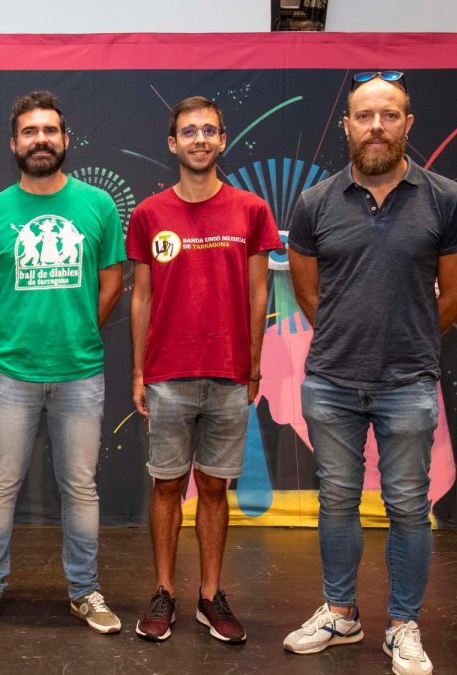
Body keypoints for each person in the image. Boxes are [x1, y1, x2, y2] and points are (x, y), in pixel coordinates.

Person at [283, 71, 457, 675]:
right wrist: (355, 341)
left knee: (407, 506)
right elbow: (311, 296)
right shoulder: (315, 202)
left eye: (388, 115)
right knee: (336, 502)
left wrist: (405, 342)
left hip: (409, 384)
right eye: (364, 116)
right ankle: (341, 613)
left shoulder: (446, 199)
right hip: (331, 381)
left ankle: (402, 625)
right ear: (346, 126)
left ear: (408, 125)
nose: (376, 127)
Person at [0, 90, 125, 635]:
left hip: (81, 371)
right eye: (30, 132)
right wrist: (14, 333)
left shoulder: (98, 205)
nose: (40, 140)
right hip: (9, 372)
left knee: (81, 489)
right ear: (14, 144)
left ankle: (84, 592)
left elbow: (111, 285)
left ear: (65, 140)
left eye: (49, 131)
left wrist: (76, 329)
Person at [127, 96, 281, 644]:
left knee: (214, 489)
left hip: (229, 372)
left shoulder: (251, 210)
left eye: (208, 131)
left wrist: (255, 364)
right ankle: (164, 592)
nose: (198, 139)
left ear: (222, 140)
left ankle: (210, 595)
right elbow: (140, 298)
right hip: (167, 375)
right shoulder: (148, 214)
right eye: (187, 131)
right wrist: (139, 372)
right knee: (166, 486)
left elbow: (261, 290)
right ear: (173, 143)